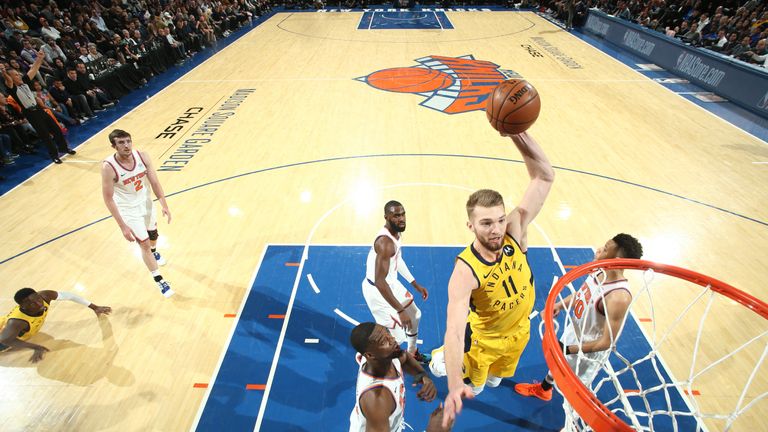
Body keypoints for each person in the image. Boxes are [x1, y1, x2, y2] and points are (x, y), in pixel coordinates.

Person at [430, 132, 555, 428]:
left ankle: (468, 370)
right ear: (470, 225)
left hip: (518, 334)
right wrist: (453, 383)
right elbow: (455, 332)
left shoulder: (514, 229)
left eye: (499, 219)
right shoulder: (465, 270)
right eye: (486, 223)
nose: (496, 229)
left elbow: (544, 178)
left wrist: (517, 132)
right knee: (479, 385)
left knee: (499, 381)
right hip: (484, 342)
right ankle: (438, 363)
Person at [514, 234, 643, 402]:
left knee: (576, 394)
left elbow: (606, 343)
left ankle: (574, 424)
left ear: (617, 259)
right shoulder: (599, 271)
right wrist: (559, 305)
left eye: (604, 249)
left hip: (588, 349)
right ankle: (544, 389)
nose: (598, 249)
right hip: (574, 331)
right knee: (556, 366)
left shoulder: (618, 297)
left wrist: (568, 349)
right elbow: (581, 294)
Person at [101, 129, 174, 298]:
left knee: (154, 234)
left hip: (145, 202)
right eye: (121, 142)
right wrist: (122, 227)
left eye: (128, 141)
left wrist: (164, 204)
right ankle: (159, 280)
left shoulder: (143, 156)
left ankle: (155, 251)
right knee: (144, 244)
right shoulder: (108, 167)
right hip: (128, 209)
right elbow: (108, 199)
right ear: (114, 146)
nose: (126, 145)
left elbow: (154, 181)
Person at [363, 200, 430, 363]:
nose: (401, 219)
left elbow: (397, 260)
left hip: (391, 285)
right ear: (387, 217)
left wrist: (414, 283)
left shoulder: (396, 234)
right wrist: (400, 310)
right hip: (377, 292)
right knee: (397, 338)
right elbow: (380, 282)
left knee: (415, 315)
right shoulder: (385, 243)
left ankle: (412, 353)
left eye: (403, 214)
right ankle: (372, 362)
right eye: (396, 216)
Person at [349, 322, 437, 432]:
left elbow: (404, 357)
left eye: (388, 332)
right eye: (383, 341)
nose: (392, 339)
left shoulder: (385, 358)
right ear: (370, 355)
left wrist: (424, 377)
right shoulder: (377, 400)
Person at [0, 52, 75, 164]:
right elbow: (8, 80)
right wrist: (3, 72)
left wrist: (39, 58)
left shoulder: (24, 81)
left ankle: (64, 148)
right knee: (45, 135)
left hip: (39, 109)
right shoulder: (12, 87)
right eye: (16, 75)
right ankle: (54, 155)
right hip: (30, 113)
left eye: (18, 73)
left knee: (56, 128)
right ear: (11, 78)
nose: (19, 75)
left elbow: (33, 69)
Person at [0, 287, 111, 363]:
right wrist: (36, 347)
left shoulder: (45, 296)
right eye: (32, 304)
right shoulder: (17, 322)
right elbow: (5, 340)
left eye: (37, 299)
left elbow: (69, 295)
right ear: (23, 306)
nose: (38, 304)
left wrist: (95, 307)